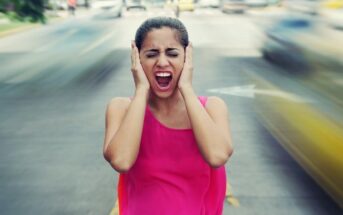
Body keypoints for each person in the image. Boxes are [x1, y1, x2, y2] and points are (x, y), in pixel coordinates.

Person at [103, 17, 233, 215]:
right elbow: (121, 161)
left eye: (172, 53)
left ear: (187, 57)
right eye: (151, 54)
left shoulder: (213, 108)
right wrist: (141, 90)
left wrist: (186, 88)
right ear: (137, 58)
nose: (162, 62)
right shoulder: (120, 108)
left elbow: (217, 156)